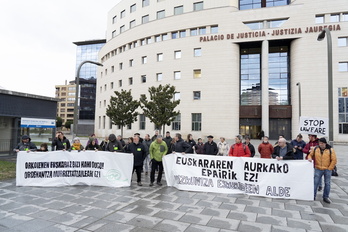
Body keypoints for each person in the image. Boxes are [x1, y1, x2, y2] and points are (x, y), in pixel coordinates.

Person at [307, 137, 337, 203]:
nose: (320, 144)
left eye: (322, 143)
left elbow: (334, 160)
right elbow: (310, 155)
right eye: (319, 143)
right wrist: (309, 158)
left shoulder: (330, 150)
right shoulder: (316, 149)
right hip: (318, 168)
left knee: (327, 183)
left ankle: (326, 197)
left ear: (325, 143)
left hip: (327, 169)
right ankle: (313, 195)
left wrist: (330, 168)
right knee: (315, 183)